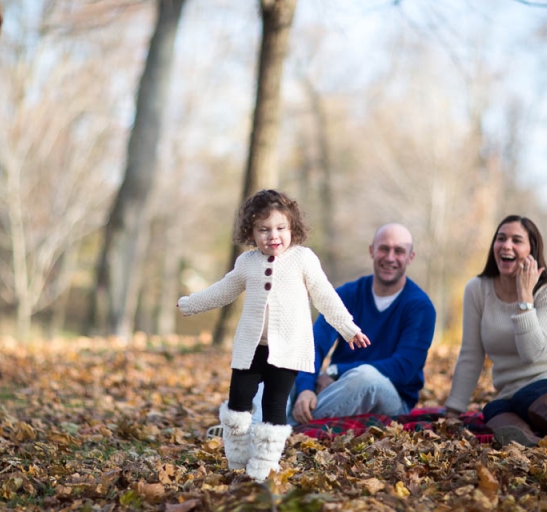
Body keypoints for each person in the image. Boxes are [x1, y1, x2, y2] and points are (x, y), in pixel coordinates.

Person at [177, 189, 370, 482]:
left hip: (288, 350)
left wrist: (348, 328)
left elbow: (325, 296)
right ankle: (238, 458)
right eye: (263, 230)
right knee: (238, 404)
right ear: (251, 232)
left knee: (274, 406)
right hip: (251, 349)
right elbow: (224, 290)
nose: (273, 236)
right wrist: (192, 304)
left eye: (281, 228)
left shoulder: (303, 259)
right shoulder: (247, 263)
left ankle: (265, 465)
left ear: (292, 228)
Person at [444, 215, 547, 451]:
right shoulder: (477, 289)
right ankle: (527, 443)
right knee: (493, 409)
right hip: (511, 394)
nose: (506, 245)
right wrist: (453, 411)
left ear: (532, 251)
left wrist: (525, 299)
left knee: (525, 397)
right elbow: (471, 353)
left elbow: (531, 353)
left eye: (516, 240)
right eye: (501, 239)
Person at [291, 223, 436, 425]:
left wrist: (336, 371)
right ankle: (256, 423)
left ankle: (291, 427)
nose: (390, 257)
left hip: (393, 401)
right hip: (339, 389)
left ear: (410, 257)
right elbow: (313, 345)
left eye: (399, 251)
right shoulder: (348, 295)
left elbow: (403, 368)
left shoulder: (420, 307)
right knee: (283, 367)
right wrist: (306, 388)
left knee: (367, 377)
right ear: (372, 251)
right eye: (384, 248)